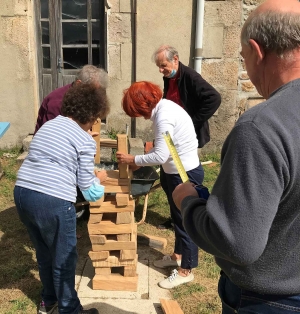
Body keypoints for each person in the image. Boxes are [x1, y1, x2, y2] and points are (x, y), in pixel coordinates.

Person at [172, 0, 300, 313]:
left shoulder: (264, 126)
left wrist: (188, 202)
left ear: (257, 52)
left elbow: (237, 243)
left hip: (270, 300)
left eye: (244, 58)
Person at [14, 84, 110, 314]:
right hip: (52, 201)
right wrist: (100, 179)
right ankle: (70, 310)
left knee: (44, 252)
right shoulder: (85, 141)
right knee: (64, 260)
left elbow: (58, 151)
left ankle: (48, 300)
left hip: (23, 193)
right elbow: (89, 191)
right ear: (93, 116)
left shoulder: (49, 126)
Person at [116, 81, 204, 289]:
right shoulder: (164, 109)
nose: (139, 116)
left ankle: (186, 270)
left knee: (186, 222)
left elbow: (161, 154)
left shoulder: (163, 117)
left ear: (143, 105)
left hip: (184, 173)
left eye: (136, 112)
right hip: (175, 170)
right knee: (177, 218)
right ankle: (178, 255)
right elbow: (168, 148)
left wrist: (133, 160)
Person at [153, 45, 221, 230]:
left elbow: (214, 98)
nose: (161, 70)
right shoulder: (170, 76)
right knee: (169, 179)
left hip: (185, 137)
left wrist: (191, 122)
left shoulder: (190, 76)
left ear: (176, 59)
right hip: (173, 136)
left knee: (182, 179)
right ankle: (177, 217)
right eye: (159, 66)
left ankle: (190, 219)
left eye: (164, 65)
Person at [34, 65, 108, 134]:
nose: (95, 96)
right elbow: (52, 135)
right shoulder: (57, 101)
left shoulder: (86, 99)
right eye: (93, 91)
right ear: (79, 84)